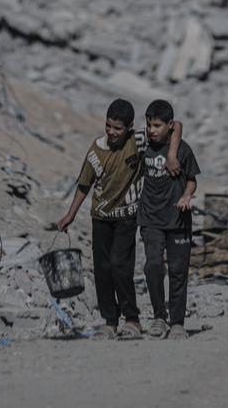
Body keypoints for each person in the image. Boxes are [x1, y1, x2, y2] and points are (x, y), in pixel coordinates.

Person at [57, 99, 181, 340]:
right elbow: (85, 185)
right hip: (101, 218)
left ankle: (132, 319)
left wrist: (173, 155)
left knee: (119, 265)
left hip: (127, 217)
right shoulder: (96, 151)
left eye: (118, 129)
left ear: (130, 128)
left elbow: (176, 125)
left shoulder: (139, 140)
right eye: (108, 126)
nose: (112, 133)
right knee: (102, 269)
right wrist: (70, 214)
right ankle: (110, 322)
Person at [138, 99, 200, 340]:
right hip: (151, 218)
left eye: (157, 125)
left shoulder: (183, 150)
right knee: (153, 266)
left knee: (178, 271)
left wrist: (186, 195)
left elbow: (192, 179)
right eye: (149, 124)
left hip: (178, 220)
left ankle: (177, 322)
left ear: (169, 126)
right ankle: (158, 317)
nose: (152, 130)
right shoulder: (143, 145)